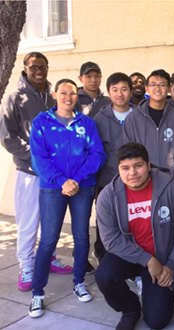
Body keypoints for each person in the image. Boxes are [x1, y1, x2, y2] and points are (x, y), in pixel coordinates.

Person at [28, 78, 106, 318]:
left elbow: (97, 154)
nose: (68, 97)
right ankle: (38, 294)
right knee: (49, 240)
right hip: (53, 188)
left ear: (77, 96)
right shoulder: (41, 123)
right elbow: (39, 159)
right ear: (54, 94)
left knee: (82, 237)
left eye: (72, 93)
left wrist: (76, 180)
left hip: (82, 187)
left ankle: (79, 282)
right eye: (63, 93)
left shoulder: (87, 123)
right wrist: (63, 181)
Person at [95, 142, 174, 330]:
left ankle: (152, 286)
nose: (132, 173)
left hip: (163, 259)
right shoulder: (108, 196)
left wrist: (170, 265)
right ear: (119, 169)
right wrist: (146, 260)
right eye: (125, 168)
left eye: (138, 166)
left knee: (156, 321)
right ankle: (130, 309)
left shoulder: (171, 188)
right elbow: (111, 240)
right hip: (130, 256)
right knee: (104, 275)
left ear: (148, 165)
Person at [0, 52, 73, 292]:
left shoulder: (54, 98)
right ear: (25, 68)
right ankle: (27, 265)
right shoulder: (15, 98)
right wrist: (35, 155)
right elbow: (7, 138)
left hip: (54, 175)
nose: (39, 70)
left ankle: (49, 258)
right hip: (30, 174)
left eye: (43, 66)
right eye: (34, 67)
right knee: (28, 222)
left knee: (50, 222)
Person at [93, 72, 135, 263]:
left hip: (135, 179)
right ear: (108, 92)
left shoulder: (139, 116)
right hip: (107, 179)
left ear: (131, 91)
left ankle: (131, 262)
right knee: (106, 221)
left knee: (131, 221)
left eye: (124, 89)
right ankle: (104, 260)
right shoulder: (99, 119)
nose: (120, 94)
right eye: (115, 90)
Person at [124, 69, 174, 177]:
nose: (157, 89)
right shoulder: (133, 118)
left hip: (170, 178)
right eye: (153, 85)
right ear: (147, 89)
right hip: (142, 178)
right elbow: (128, 149)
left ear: (169, 89)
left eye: (162, 85)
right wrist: (140, 170)